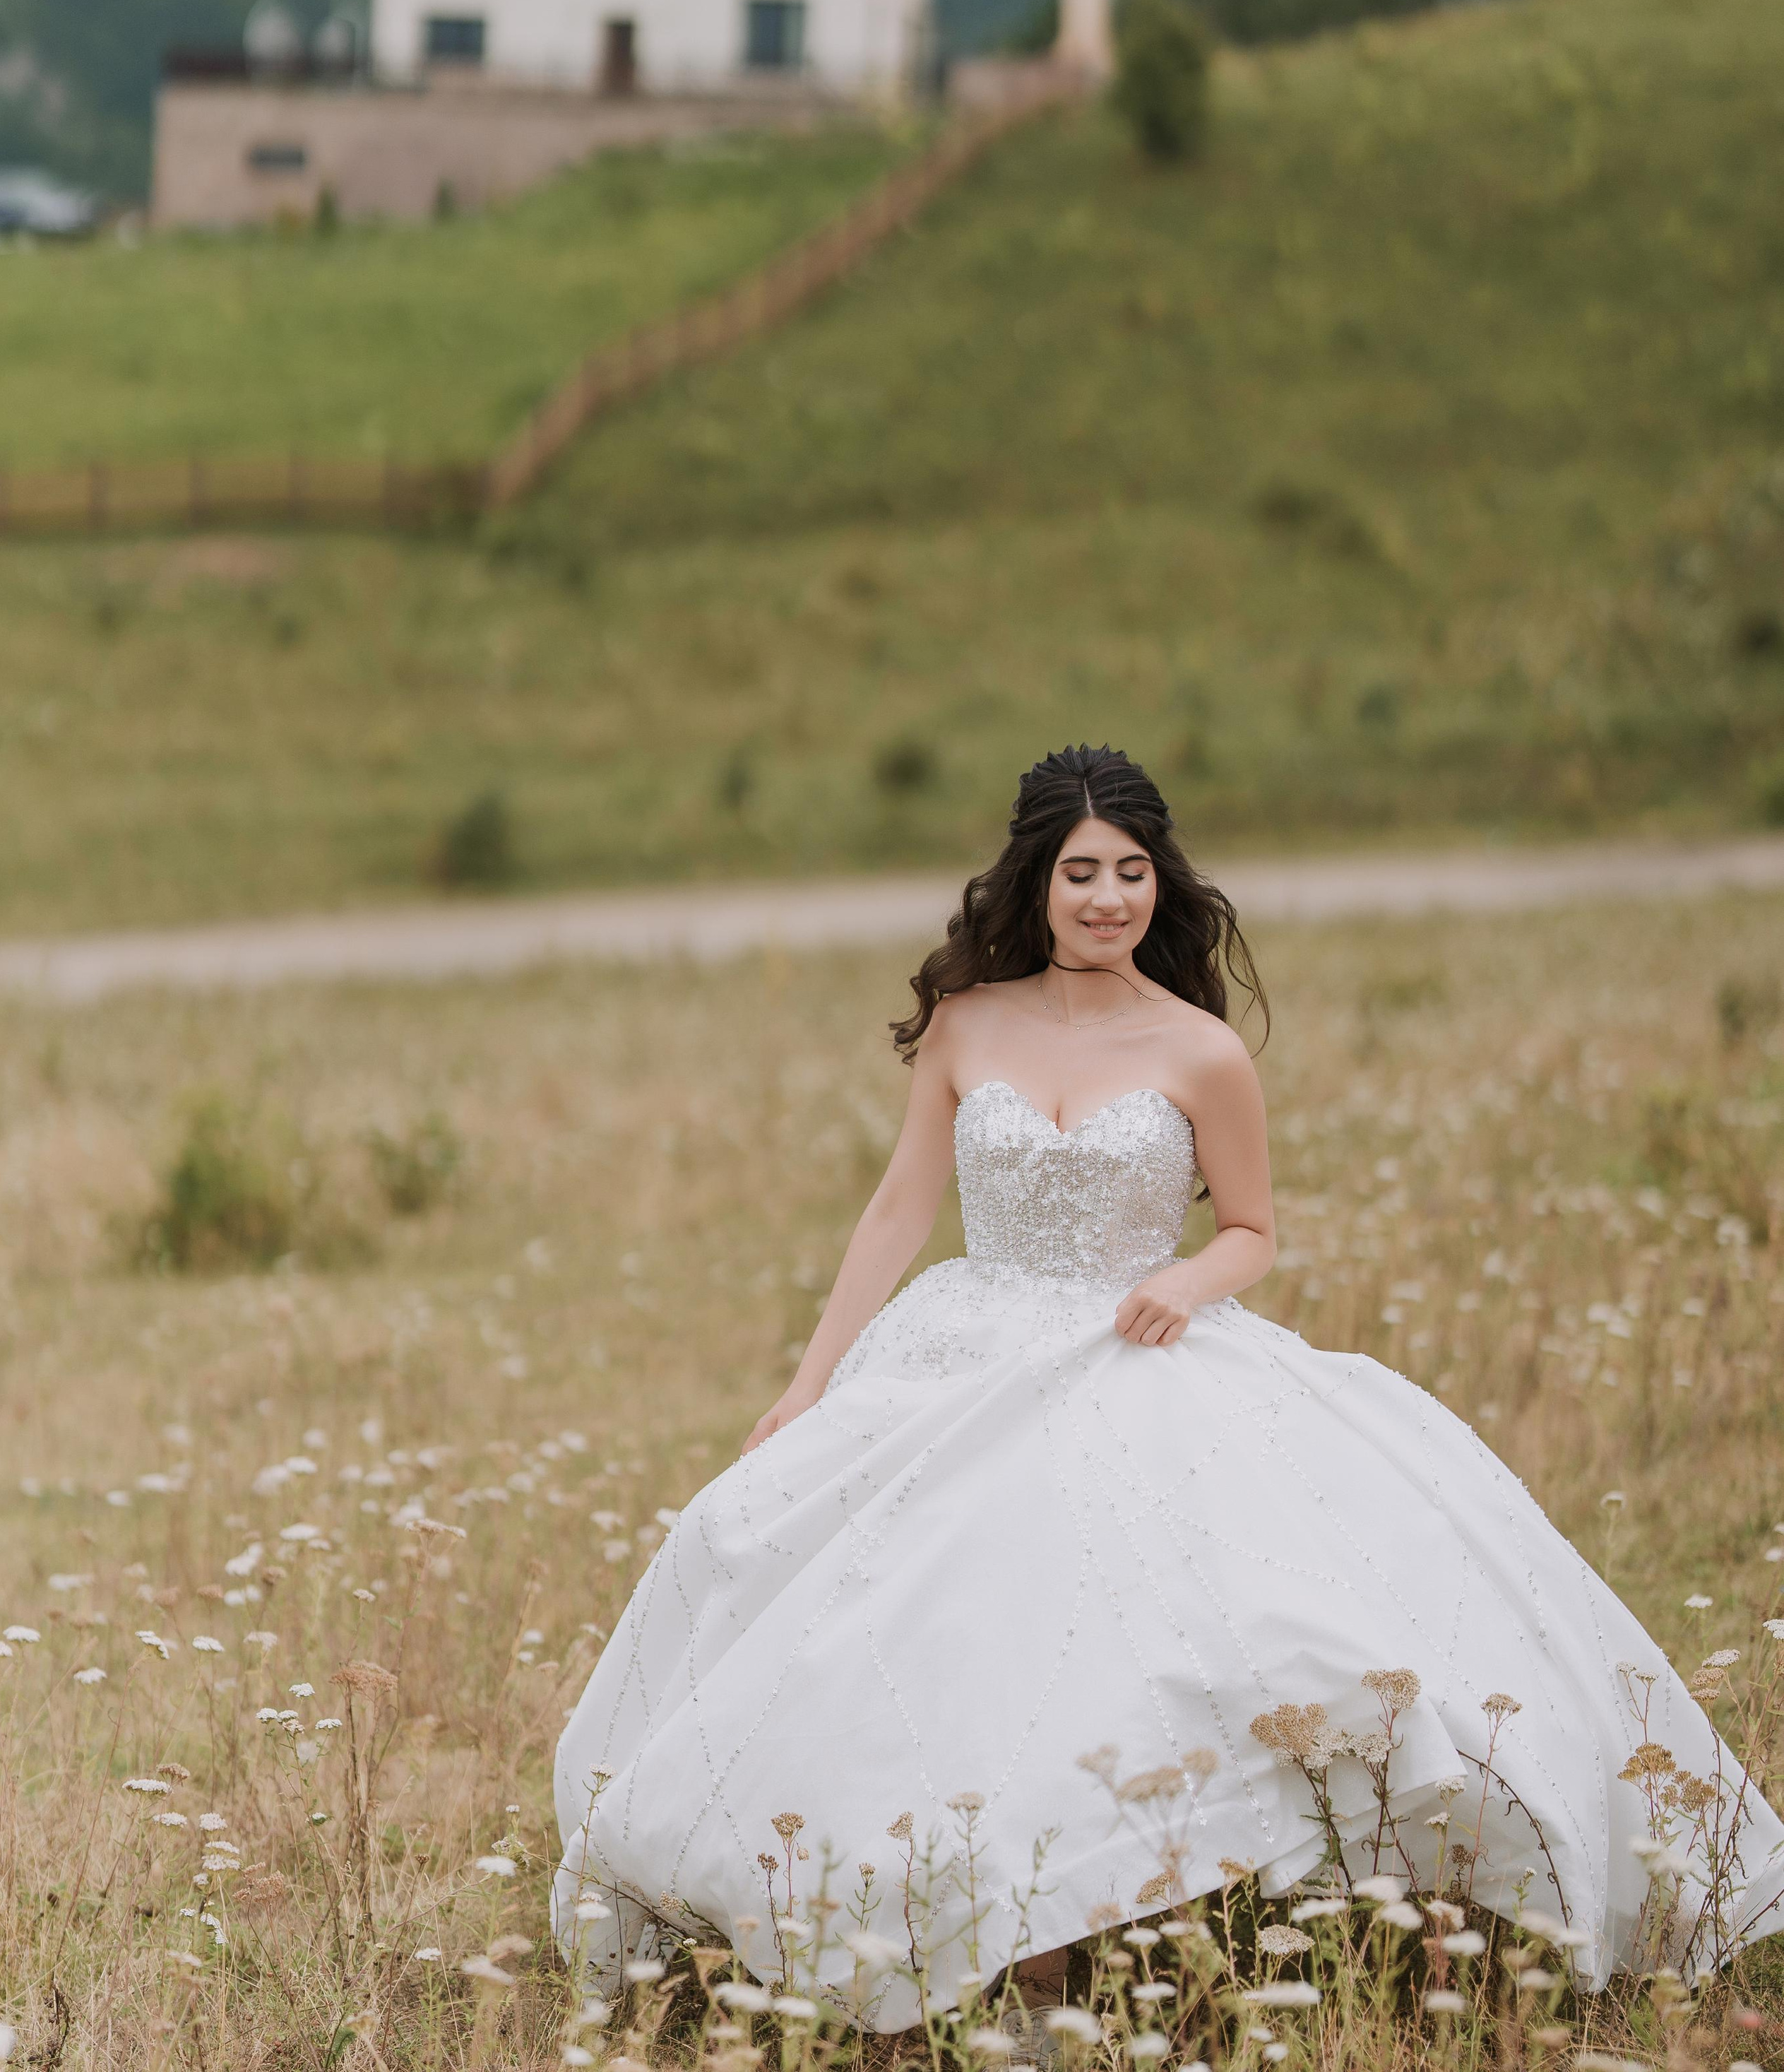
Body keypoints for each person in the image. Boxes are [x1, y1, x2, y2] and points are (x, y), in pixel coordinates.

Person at [552, 745, 1783, 2026]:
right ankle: (949, 1919)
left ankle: (1156, 1899)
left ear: (1161, 881)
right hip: (966, 1349)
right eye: (1082, 872)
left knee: (1183, 1625)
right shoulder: (968, 1022)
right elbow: (900, 1208)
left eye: (1132, 872)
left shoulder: (1203, 1050)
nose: (1109, 898)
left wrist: (1186, 1284)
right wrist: (809, 1387)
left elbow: (1253, 1230)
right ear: (1036, 880)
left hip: (1138, 1349)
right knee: (925, 1614)